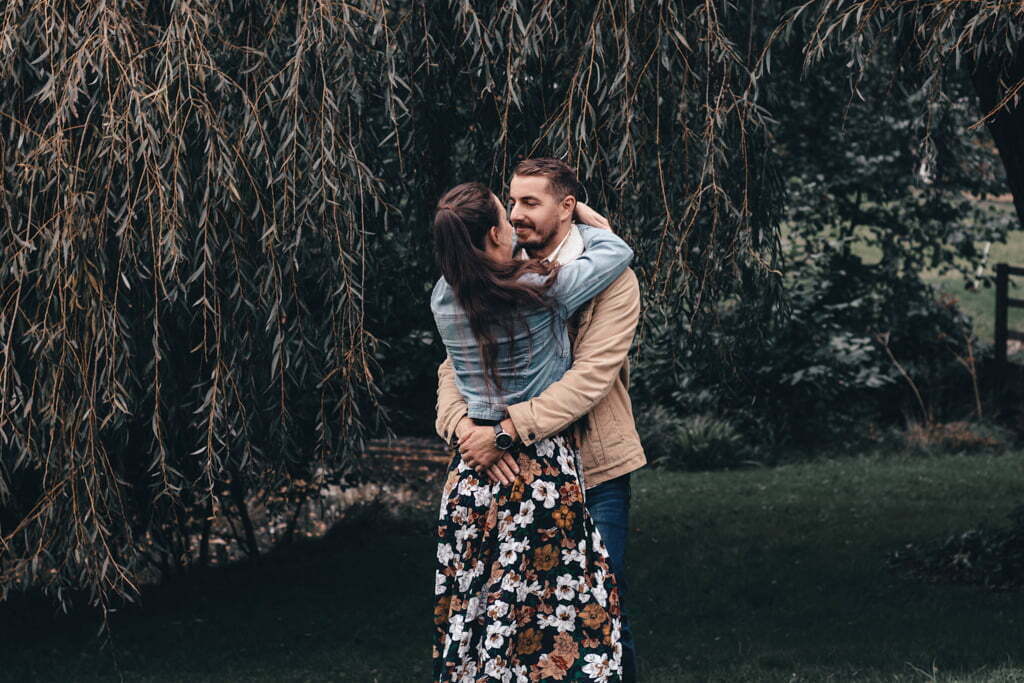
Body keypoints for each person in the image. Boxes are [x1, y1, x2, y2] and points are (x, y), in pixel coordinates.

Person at [436, 158, 646, 681]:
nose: (517, 214)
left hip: (590, 467)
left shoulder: (607, 282)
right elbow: (452, 368)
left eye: (530, 203)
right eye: (511, 204)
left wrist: (501, 433)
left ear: (566, 206)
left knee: (598, 615)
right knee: (503, 618)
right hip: (502, 468)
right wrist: (464, 429)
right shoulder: (504, 278)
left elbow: (590, 379)